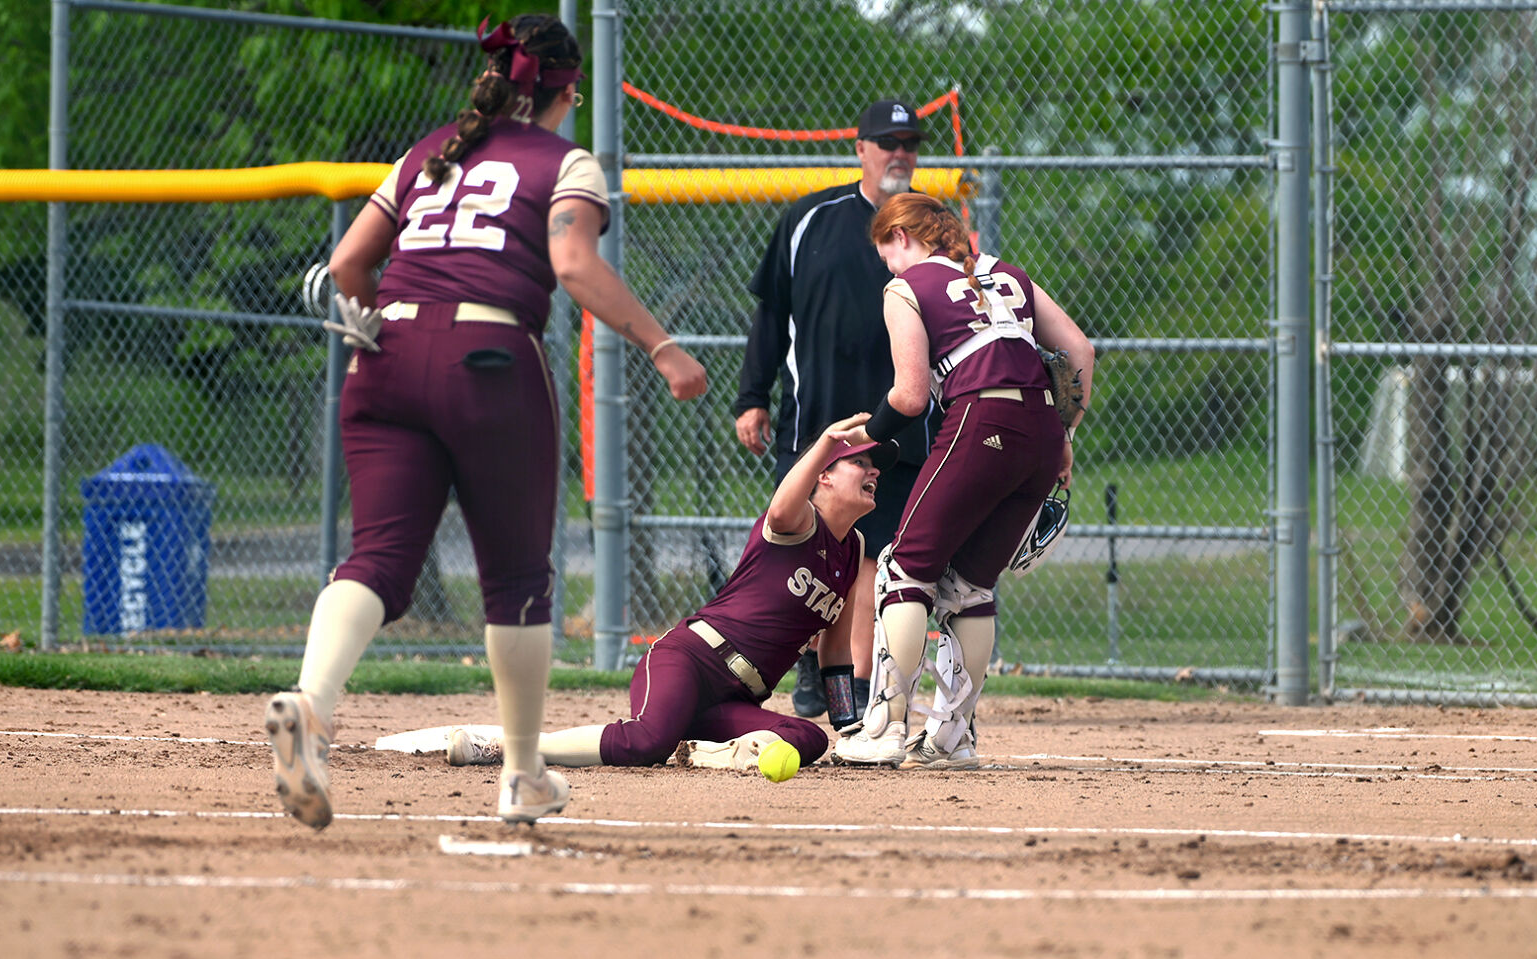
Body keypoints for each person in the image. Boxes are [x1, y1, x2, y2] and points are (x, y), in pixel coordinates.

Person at [264, 14, 707, 830]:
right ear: (568, 90)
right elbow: (573, 264)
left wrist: (380, 329)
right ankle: (520, 775)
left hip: (384, 349)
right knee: (514, 580)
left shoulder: (430, 150)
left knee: (378, 558)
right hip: (489, 356)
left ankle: (312, 709)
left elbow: (346, 267)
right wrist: (662, 346)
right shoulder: (565, 161)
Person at [445, 416, 893, 774]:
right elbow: (779, 507)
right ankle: (508, 747)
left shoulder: (853, 551)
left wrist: (848, 726)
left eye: (874, 467)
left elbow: (834, 650)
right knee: (646, 741)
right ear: (825, 477)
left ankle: (699, 752)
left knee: (808, 739)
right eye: (859, 463)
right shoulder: (799, 521)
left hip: (735, 700)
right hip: (691, 659)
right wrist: (826, 443)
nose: (874, 471)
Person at [835, 193, 1093, 770]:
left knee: (903, 571)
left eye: (888, 255)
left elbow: (908, 394)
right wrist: (1066, 434)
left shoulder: (906, 287)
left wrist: (867, 435)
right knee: (969, 587)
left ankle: (883, 729)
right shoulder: (1007, 273)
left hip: (982, 420)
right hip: (1041, 434)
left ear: (900, 236)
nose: (891, 270)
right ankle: (952, 741)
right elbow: (1079, 350)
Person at [734, 98, 941, 723]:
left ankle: (864, 693)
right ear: (861, 149)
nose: (900, 153)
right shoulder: (809, 219)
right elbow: (771, 315)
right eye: (887, 142)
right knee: (808, 558)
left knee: (885, 564)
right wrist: (752, 396)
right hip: (816, 424)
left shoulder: (932, 226)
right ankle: (813, 676)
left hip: (906, 426)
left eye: (909, 143)